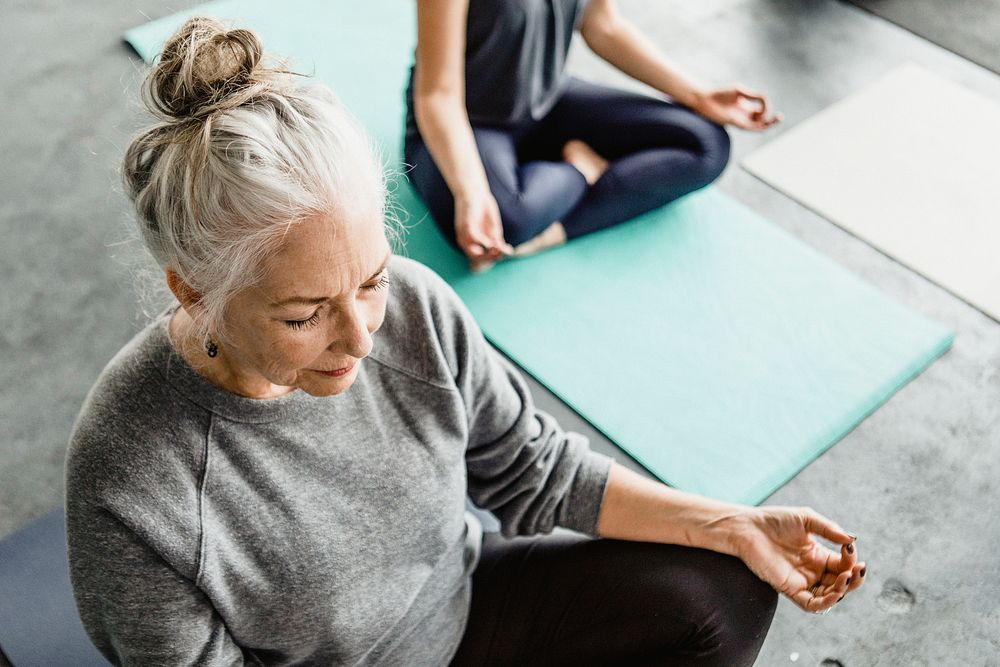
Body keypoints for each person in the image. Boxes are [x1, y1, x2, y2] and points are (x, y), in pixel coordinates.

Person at [66, 18, 864, 667]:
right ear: (194, 290)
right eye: (303, 315)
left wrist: (731, 524)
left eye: (371, 280)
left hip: (470, 602)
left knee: (723, 591)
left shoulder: (415, 308)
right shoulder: (133, 481)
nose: (362, 336)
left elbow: (534, 470)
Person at [406, 0, 782, 271]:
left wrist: (699, 96)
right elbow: (437, 95)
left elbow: (603, 25)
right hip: (465, 122)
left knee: (706, 144)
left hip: (547, 101)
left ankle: (554, 225)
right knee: (505, 221)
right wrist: (472, 192)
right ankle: (580, 171)